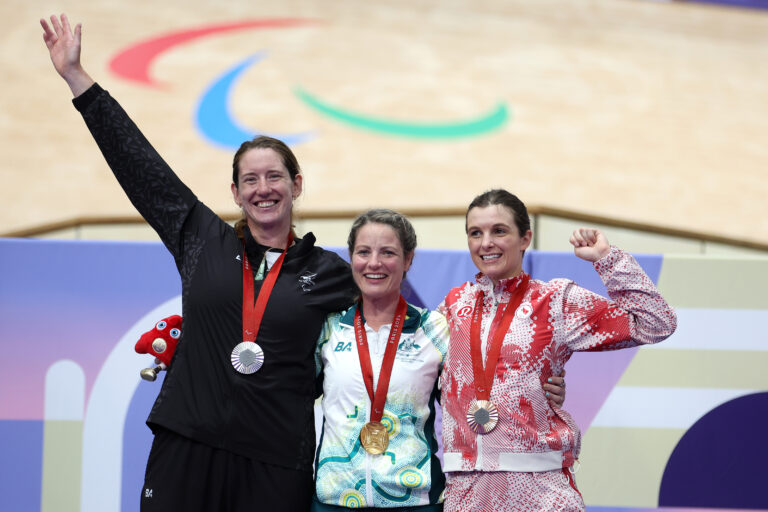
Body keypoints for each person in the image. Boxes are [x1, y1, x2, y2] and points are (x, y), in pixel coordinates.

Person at [41, 14, 357, 511]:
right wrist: (78, 79)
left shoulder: (332, 273)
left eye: (275, 176)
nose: (263, 189)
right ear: (234, 192)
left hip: (274, 459)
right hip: (187, 443)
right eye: (250, 180)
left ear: (296, 185)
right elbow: (140, 165)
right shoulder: (202, 240)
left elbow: (377, 344)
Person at [438, 189, 678, 511]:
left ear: (525, 238)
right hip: (467, 491)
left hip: (540, 491)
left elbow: (656, 322)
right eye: (475, 233)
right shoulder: (454, 306)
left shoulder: (555, 301)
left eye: (499, 231)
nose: (486, 243)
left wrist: (607, 260)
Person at [312, 209, 568, 511]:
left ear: (408, 260)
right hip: (335, 499)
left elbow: (482, 389)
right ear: (351, 258)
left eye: (388, 252)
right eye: (363, 252)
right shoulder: (328, 329)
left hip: (415, 500)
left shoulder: (435, 329)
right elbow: (290, 392)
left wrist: (538, 388)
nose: (374, 263)